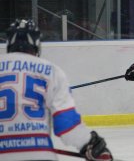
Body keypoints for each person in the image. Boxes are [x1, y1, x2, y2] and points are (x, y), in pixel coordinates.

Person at [0, 19, 113, 161]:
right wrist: (90, 144)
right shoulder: (51, 71)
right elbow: (66, 123)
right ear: (36, 44)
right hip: (39, 154)